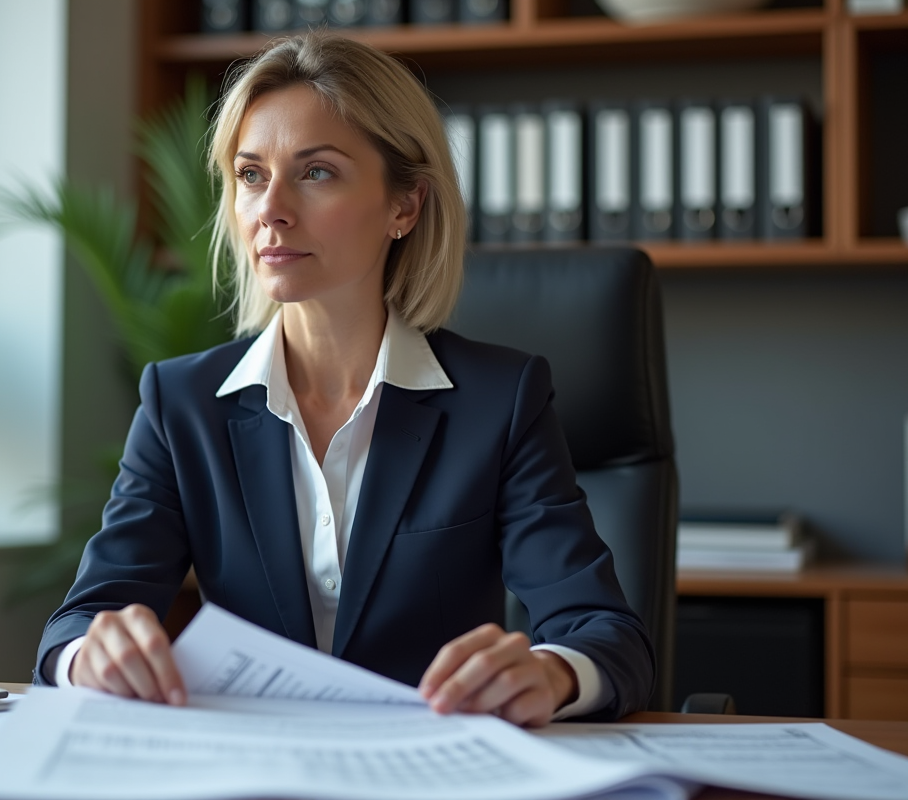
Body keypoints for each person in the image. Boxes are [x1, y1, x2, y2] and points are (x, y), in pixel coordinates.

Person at [36, 31, 654, 726]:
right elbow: (77, 626)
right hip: (251, 765)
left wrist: (551, 673)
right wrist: (90, 655)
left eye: (316, 172)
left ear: (404, 206)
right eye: (250, 175)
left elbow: (607, 635)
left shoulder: (500, 402)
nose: (271, 208)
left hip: (431, 763)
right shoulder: (181, 405)